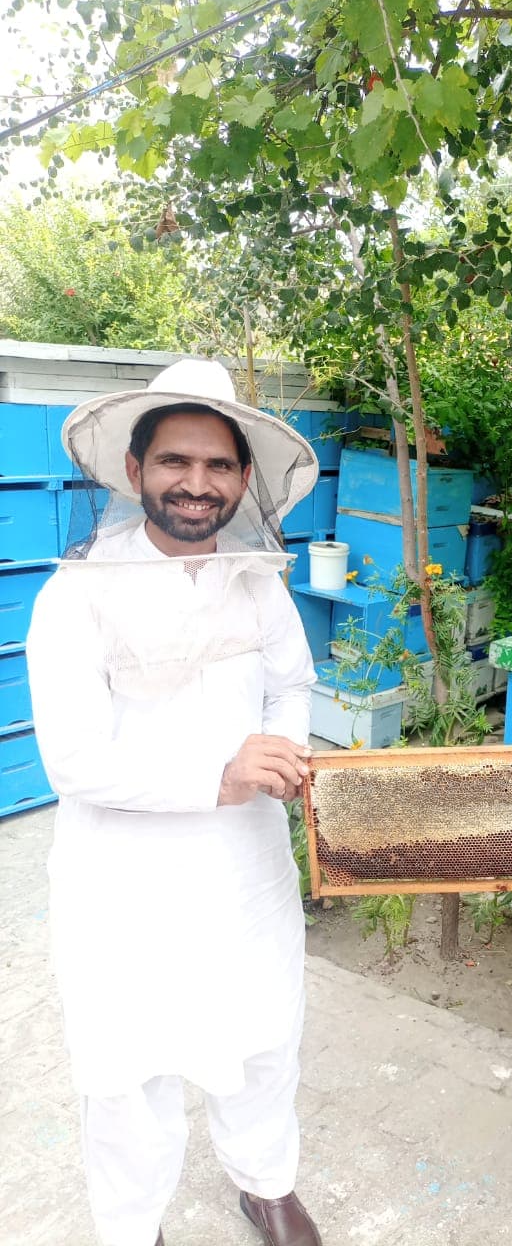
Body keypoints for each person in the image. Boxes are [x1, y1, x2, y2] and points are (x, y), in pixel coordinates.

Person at [27, 359, 324, 1246]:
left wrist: (284, 751)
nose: (197, 484)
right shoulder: (72, 599)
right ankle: (131, 1226)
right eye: (175, 463)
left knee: (264, 1035)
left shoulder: (259, 580)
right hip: (123, 876)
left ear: (243, 480)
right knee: (129, 1066)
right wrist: (220, 775)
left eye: (218, 466)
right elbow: (75, 762)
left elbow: (293, 685)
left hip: (245, 864)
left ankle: (266, 1183)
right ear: (135, 471)